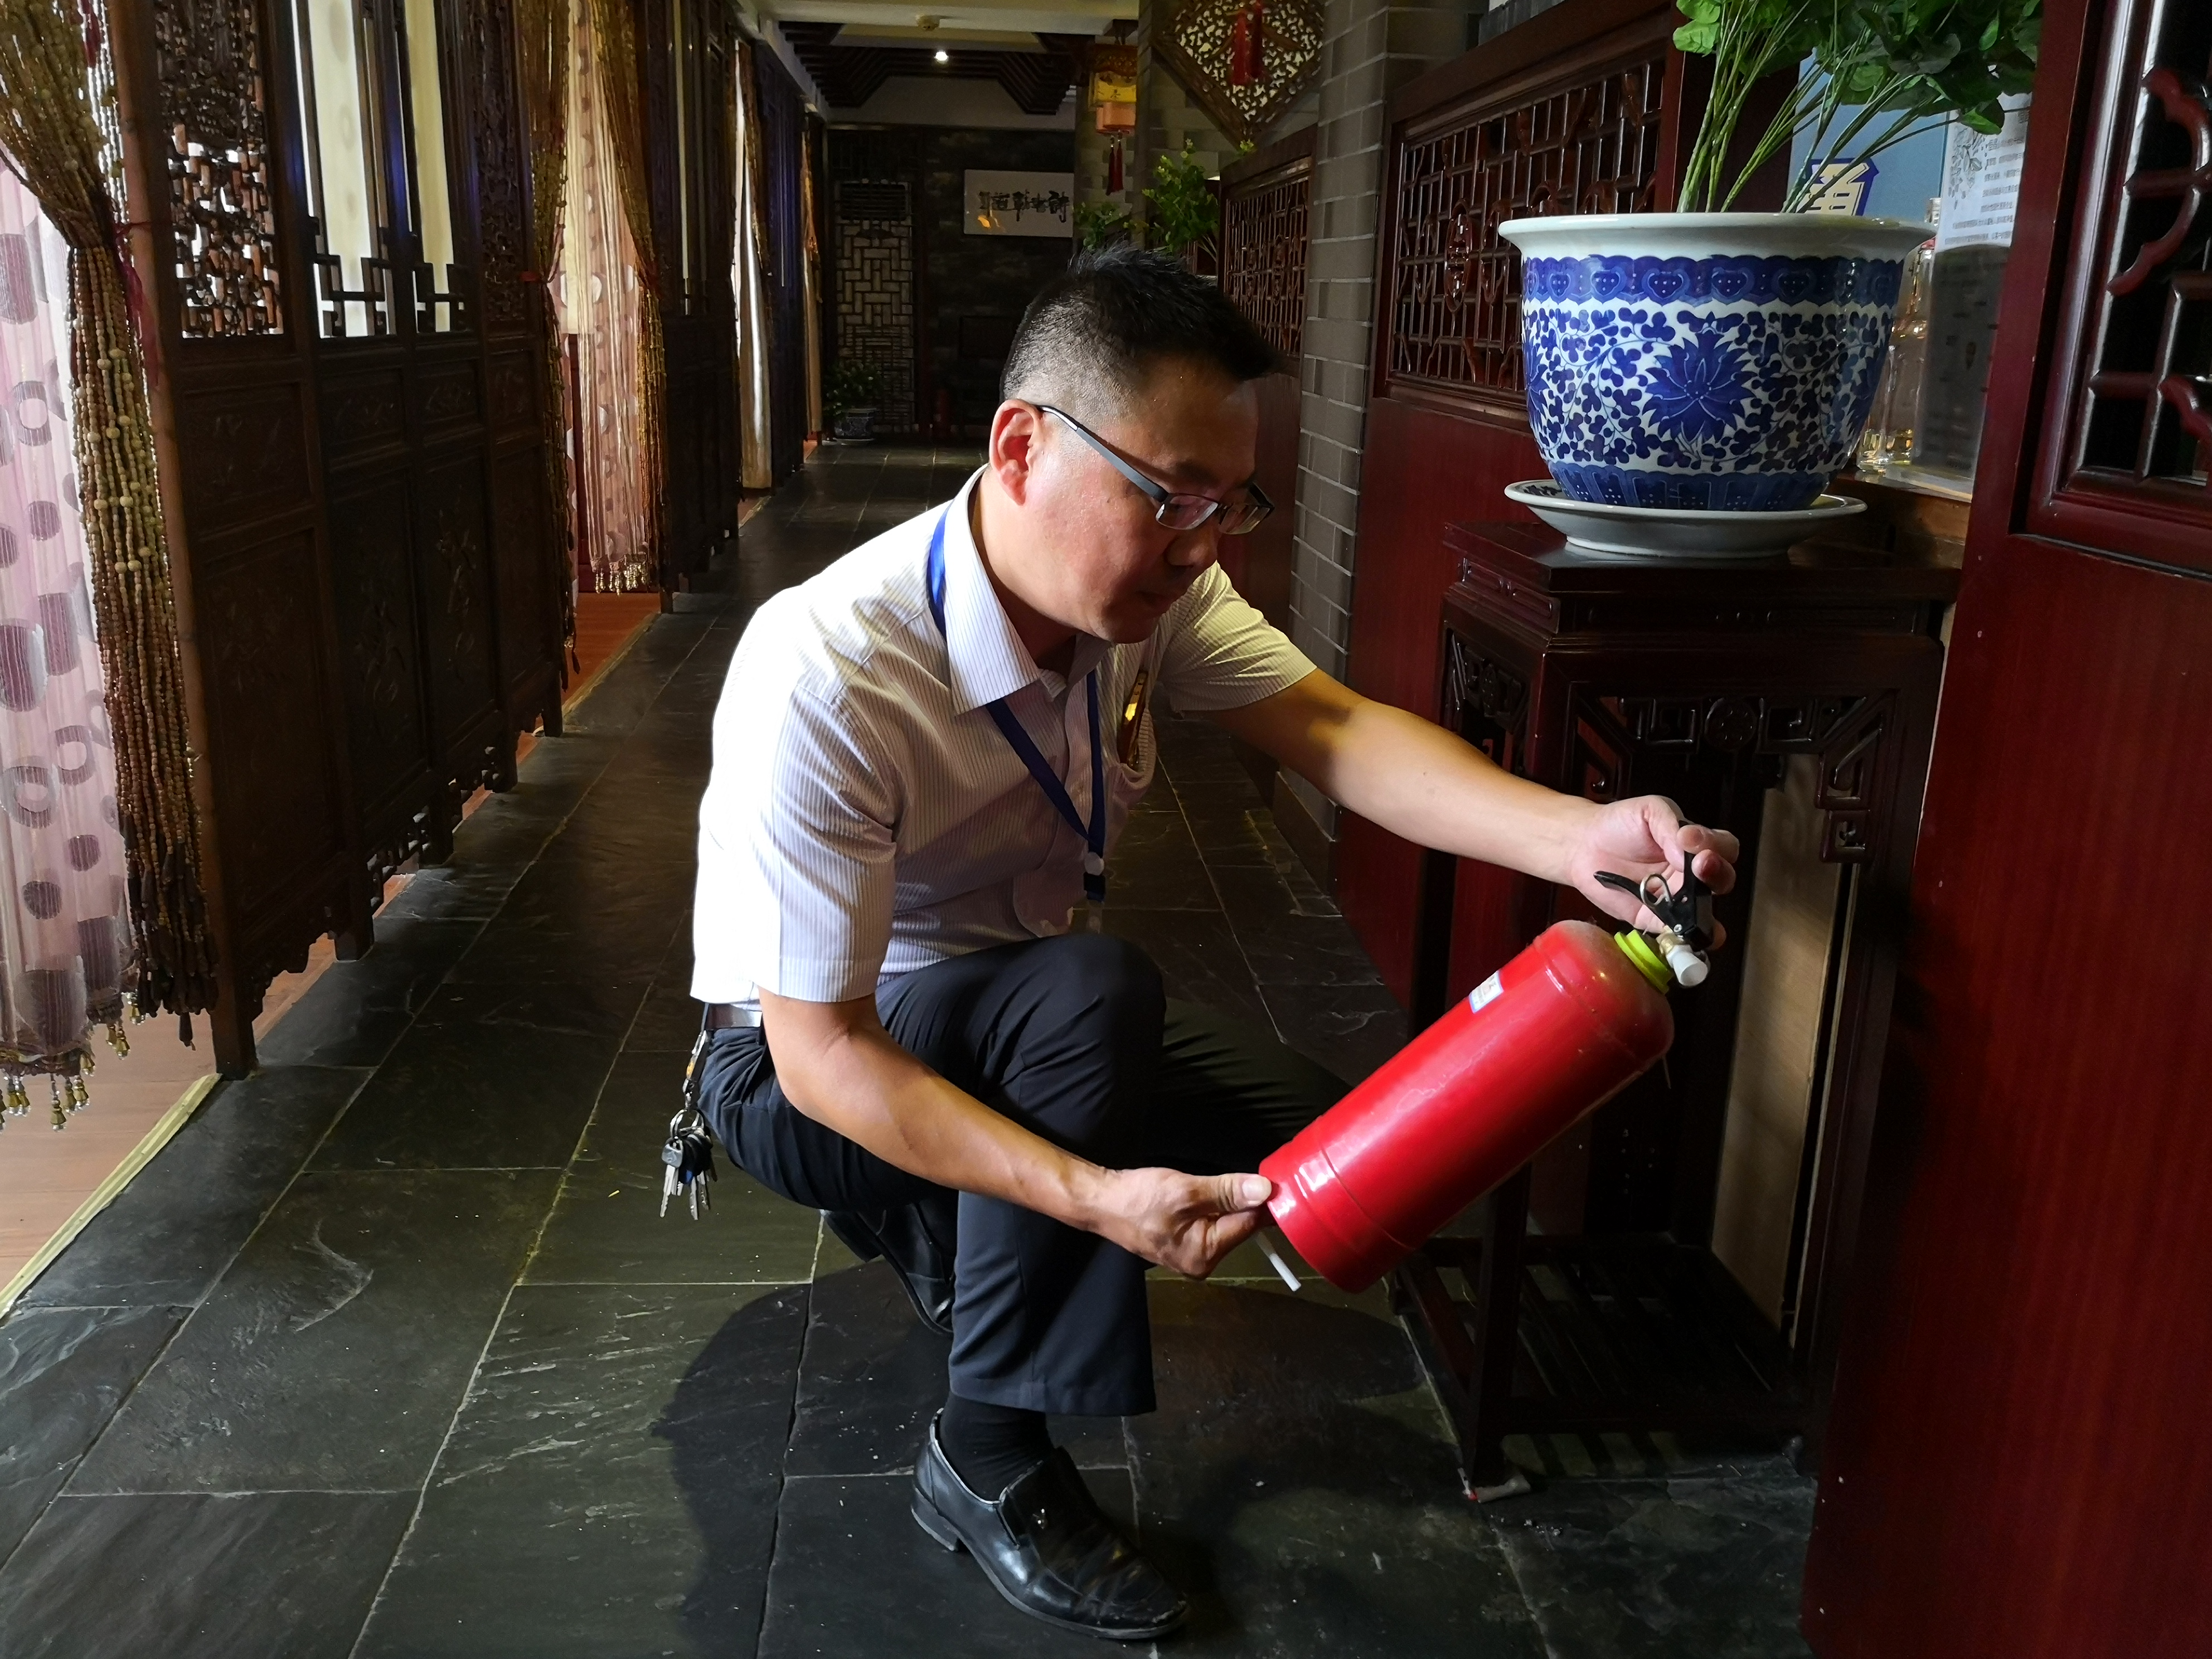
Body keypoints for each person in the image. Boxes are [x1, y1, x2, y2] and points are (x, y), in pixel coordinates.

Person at [690, 245, 1739, 1641]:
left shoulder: (1152, 599)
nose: (1204, 544)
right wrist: (1088, 1199)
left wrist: (1578, 840)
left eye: (1230, 502)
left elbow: (1332, 728)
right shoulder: (828, 669)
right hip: (796, 1068)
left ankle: (970, 1225)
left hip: (1006, 1012)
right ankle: (986, 1457)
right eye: (1170, 494)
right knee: (1088, 997)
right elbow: (822, 1057)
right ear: (1021, 449)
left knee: (1325, 1154)